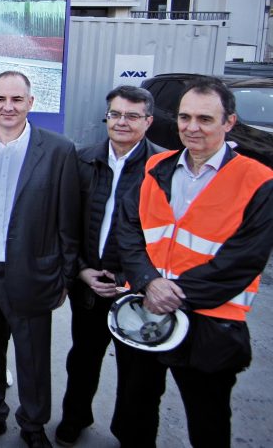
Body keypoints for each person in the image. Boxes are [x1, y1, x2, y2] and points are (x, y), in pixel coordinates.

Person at [113, 76, 273, 448]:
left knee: (208, 419)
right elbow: (129, 232)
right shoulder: (156, 168)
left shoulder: (258, 180)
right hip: (145, 311)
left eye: (204, 119)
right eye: (185, 117)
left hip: (210, 322)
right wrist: (149, 283)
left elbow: (245, 259)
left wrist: (174, 294)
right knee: (134, 409)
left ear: (229, 122)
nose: (191, 127)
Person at [0, 71, 79, 448]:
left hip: (30, 275)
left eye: (16, 100)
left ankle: (33, 425)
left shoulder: (58, 150)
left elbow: (68, 222)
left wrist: (64, 279)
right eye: (0, 99)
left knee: (33, 359)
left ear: (30, 103)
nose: (8, 107)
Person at [54, 85, 160, 446]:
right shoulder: (83, 159)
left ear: (148, 121)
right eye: (115, 114)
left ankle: (131, 434)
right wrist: (80, 270)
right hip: (90, 283)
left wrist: (139, 280)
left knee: (138, 372)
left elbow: (166, 236)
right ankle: (75, 417)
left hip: (138, 291)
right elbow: (66, 222)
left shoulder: (162, 167)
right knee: (83, 358)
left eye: (132, 116)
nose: (122, 122)